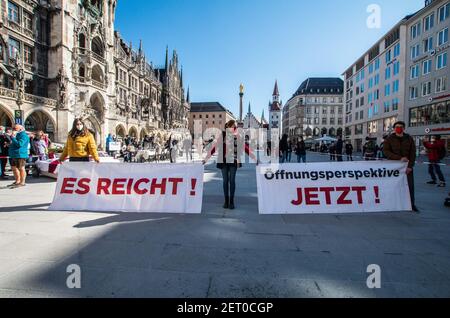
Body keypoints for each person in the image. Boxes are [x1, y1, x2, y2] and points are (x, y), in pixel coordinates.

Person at [203, 120, 257, 210]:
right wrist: (206, 159)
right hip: (223, 161)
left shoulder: (237, 136)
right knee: (225, 181)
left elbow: (245, 147)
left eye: (234, 127)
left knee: (232, 181)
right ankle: (226, 201)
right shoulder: (223, 135)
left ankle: (231, 201)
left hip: (233, 160)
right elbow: (215, 147)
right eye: (233, 126)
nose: (234, 128)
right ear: (228, 126)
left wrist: (254, 158)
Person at [383, 121, 418, 212]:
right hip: (394, 166)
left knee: (410, 186)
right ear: (394, 129)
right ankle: (391, 203)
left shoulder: (409, 138)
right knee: (393, 185)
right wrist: (399, 158)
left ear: (404, 128)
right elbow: (386, 151)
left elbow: (413, 153)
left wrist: (410, 166)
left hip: (407, 166)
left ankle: (411, 204)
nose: (399, 128)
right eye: (397, 127)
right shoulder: (389, 139)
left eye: (401, 127)